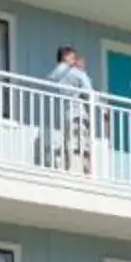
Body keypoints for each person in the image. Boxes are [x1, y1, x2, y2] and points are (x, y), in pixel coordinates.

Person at [46, 45, 97, 173]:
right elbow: (88, 92)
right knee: (83, 145)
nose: (74, 61)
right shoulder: (75, 72)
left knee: (68, 141)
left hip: (64, 114)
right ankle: (87, 173)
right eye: (73, 58)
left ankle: (66, 168)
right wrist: (82, 71)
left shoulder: (54, 74)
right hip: (77, 113)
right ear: (65, 57)